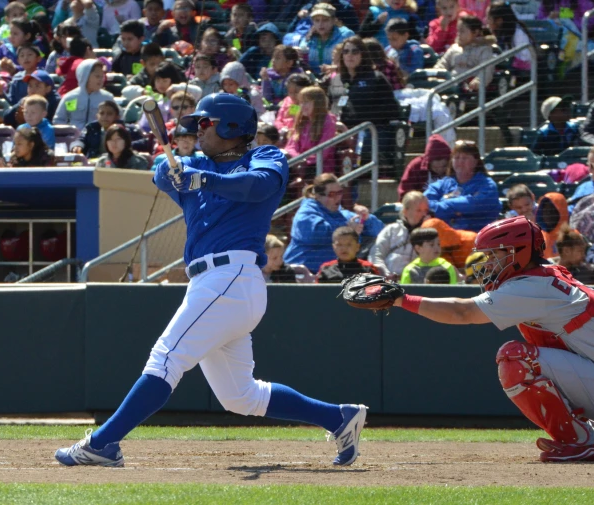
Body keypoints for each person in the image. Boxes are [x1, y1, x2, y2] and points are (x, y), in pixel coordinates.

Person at [54, 93, 368, 468]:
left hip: (233, 276)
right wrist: (170, 171)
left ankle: (103, 443)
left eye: (207, 123)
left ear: (233, 126)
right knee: (240, 396)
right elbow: (163, 172)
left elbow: (259, 186)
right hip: (212, 284)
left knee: (166, 358)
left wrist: (204, 178)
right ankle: (338, 418)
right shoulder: (194, 165)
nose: (198, 130)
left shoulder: (264, 157)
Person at [390, 215, 594, 461]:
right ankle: (588, 438)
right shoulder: (543, 278)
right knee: (530, 356)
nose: (489, 263)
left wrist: (400, 300)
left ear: (520, 252)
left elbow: (462, 312)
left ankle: (580, 441)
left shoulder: (532, 285)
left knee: (515, 358)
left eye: (495, 255)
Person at [284, 173, 369, 273]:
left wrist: (365, 215)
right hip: (299, 274)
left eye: (340, 192)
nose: (338, 198)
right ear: (318, 196)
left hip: (330, 273)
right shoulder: (305, 213)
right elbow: (316, 234)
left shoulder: (341, 214)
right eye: (332, 194)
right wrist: (348, 230)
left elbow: (377, 227)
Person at [423, 140, 501, 232]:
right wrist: (456, 210)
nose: (460, 162)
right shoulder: (443, 184)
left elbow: (473, 205)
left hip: (478, 239)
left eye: (465, 158)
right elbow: (423, 202)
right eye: (456, 158)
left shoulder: (488, 186)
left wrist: (442, 206)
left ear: (475, 162)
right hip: (445, 239)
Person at [369, 191, 429, 278]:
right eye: (419, 210)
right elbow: (376, 256)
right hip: (388, 280)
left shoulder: (429, 233)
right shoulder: (391, 230)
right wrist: (386, 274)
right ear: (405, 211)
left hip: (417, 283)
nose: (424, 214)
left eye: (426, 210)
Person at [433, 15, 495, 92]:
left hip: (469, 90)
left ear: (475, 32)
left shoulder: (484, 49)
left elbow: (486, 70)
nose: (458, 34)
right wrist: (435, 74)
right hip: (451, 85)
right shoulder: (454, 48)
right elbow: (442, 64)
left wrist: (477, 82)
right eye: (458, 31)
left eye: (462, 31)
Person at [53, 59, 114, 133]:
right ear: (85, 76)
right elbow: (59, 120)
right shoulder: (71, 97)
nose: (101, 80)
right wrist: (68, 132)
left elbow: (118, 119)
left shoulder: (107, 98)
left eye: (102, 76)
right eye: (97, 76)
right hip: (73, 138)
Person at [299, 3, 354, 76]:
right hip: (311, 79)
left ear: (333, 20)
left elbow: (354, 61)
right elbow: (301, 57)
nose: (320, 24)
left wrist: (336, 68)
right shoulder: (309, 37)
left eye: (325, 20)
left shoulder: (346, 35)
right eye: (317, 20)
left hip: (338, 78)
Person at [398, 133, 451, 199]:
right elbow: (405, 193)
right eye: (435, 168)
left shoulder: (454, 166)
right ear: (429, 162)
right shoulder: (415, 167)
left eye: (444, 166)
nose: (440, 170)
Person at [535, 192, 570, 259]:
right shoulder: (537, 238)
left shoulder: (571, 237)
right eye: (545, 211)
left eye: (552, 211)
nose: (548, 215)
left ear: (562, 212)